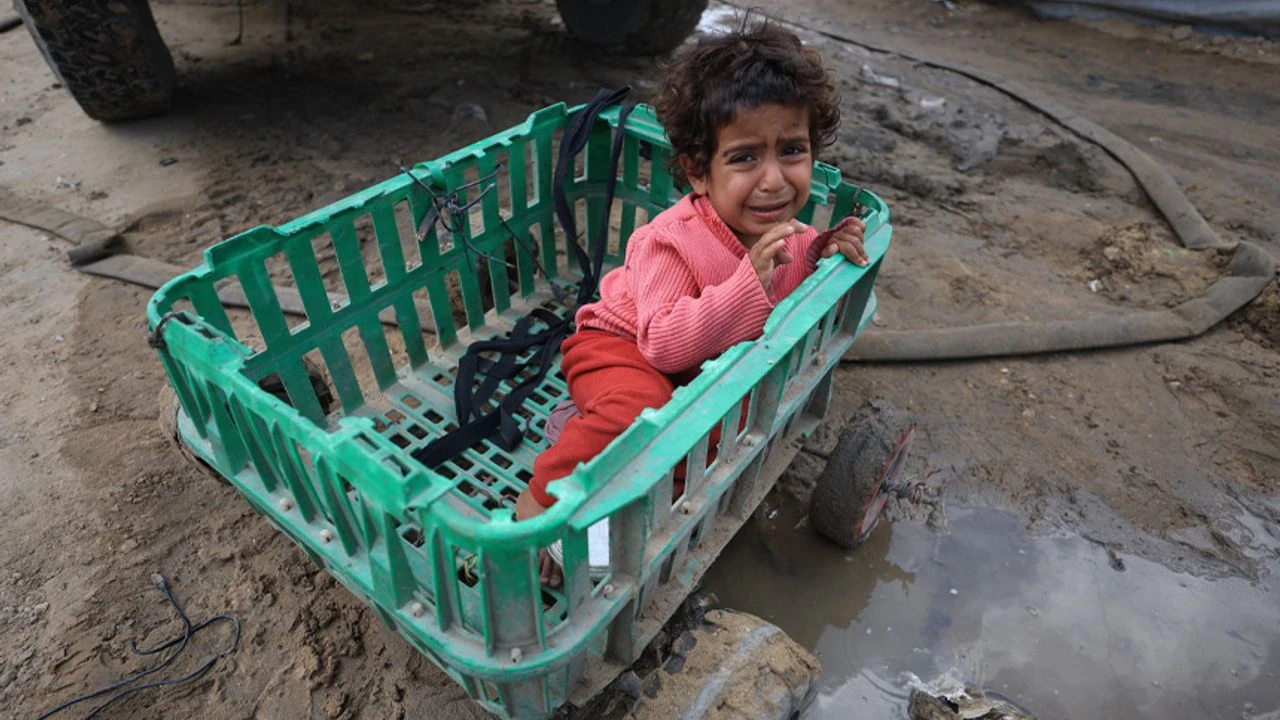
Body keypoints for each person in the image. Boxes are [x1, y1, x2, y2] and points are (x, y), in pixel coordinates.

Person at [516, 19, 870, 586]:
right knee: (639, 409)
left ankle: (600, 465)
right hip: (621, 347)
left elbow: (788, 277)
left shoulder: (783, 232)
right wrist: (748, 282)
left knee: (707, 435)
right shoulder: (670, 241)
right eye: (745, 158)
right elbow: (661, 345)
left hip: (687, 371)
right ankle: (539, 503)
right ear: (697, 172)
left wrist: (822, 248)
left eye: (792, 150)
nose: (774, 180)